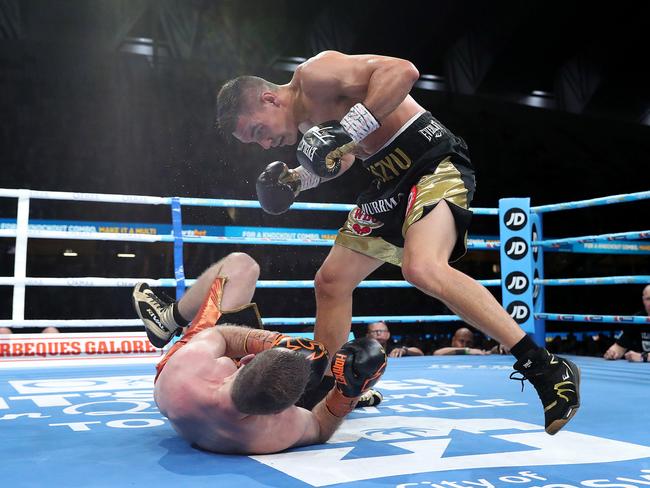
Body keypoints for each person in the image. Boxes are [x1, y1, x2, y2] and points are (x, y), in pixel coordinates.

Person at [216, 50, 580, 435]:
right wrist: (297, 179)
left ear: (270, 99)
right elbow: (344, 157)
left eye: (257, 131)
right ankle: (324, 385)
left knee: (422, 267)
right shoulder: (308, 124)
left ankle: (544, 366)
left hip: (432, 161)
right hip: (387, 181)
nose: (264, 143)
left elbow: (403, 71)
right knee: (331, 282)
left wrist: (348, 129)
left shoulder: (317, 74)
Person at [132, 252, 387, 454]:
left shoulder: (189, 367)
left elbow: (223, 334)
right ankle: (327, 388)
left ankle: (168, 319)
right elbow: (320, 429)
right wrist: (347, 394)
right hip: (246, 401)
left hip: (185, 385)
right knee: (329, 374)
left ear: (246, 360)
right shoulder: (271, 434)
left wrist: (277, 341)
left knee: (240, 264)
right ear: (285, 410)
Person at [603, 284, 650, 363]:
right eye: (648, 299)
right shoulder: (637, 320)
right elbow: (619, 347)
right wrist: (613, 352)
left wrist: (643, 357)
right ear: (643, 300)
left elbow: (641, 357)